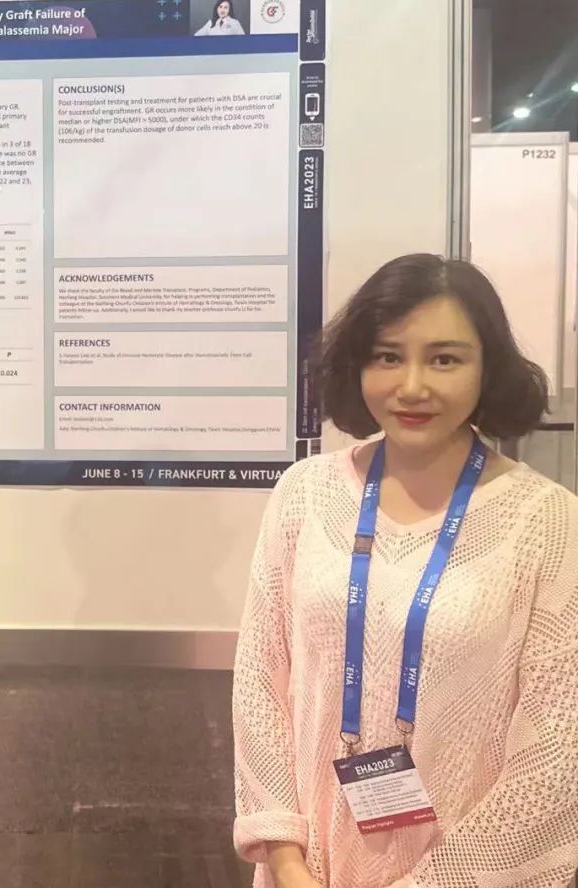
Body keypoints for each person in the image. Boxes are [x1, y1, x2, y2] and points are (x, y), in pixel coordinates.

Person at [232, 254, 578, 888]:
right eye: (387, 356)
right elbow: (261, 679)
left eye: (444, 359)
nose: (412, 386)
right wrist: (285, 856)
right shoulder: (305, 493)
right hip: (309, 869)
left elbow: (559, 750)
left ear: (488, 367)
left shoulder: (549, 522)